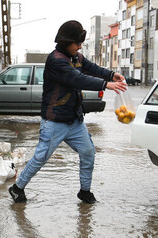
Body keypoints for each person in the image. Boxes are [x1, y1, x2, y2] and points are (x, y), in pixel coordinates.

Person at [8, 20, 127, 204]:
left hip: (74, 121)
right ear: (66, 43)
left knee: (88, 152)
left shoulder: (76, 57)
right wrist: (106, 84)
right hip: (54, 121)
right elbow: (77, 79)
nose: (79, 47)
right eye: (77, 43)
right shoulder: (56, 60)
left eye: (81, 43)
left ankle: (84, 192)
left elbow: (91, 68)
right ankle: (17, 188)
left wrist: (111, 75)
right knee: (41, 157)